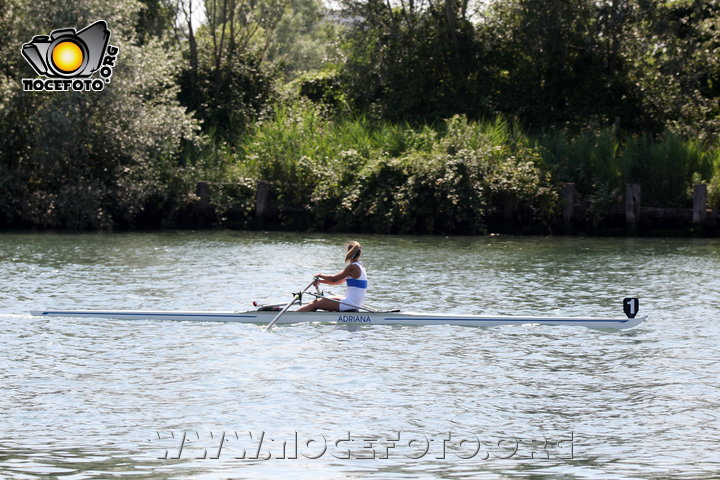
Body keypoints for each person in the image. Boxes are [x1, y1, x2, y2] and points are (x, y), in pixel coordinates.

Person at [297, 241, 368, 312]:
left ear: (349, 251)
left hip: (349, 303)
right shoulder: (360, 266)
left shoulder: (353, 267)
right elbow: (337, 282)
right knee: (323, 300)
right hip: (353, 303)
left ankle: (289, 317)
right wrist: (320, 281)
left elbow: (334, 279)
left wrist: (320, 275)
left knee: (315, 303)